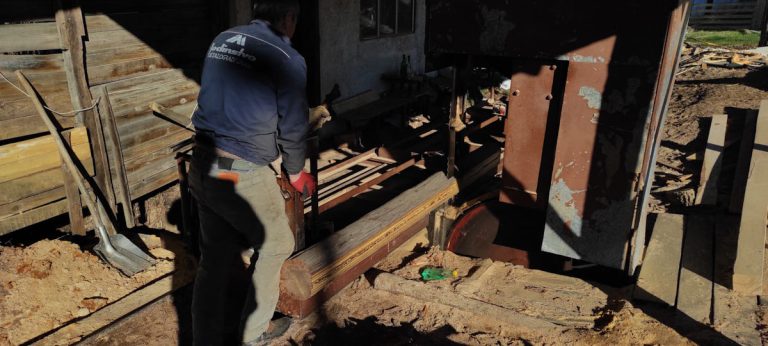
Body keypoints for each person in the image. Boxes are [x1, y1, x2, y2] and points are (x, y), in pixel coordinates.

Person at [188, 0, 316, 344]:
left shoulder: (223, 39)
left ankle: (204, 337)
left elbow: (238, 106)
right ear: (289, 18)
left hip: (202, 162)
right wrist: (295, 170)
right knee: (277, 243)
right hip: (238, 171)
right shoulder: (288, 58)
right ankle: (253, 333)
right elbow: (292, 126)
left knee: (214, 256)